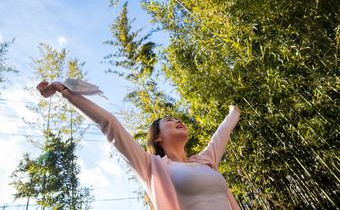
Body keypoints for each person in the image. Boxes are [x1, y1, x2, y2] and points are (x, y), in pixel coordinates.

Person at [37, 81, 242, 210]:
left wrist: (234, 111)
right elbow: (109, 123)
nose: (178, 121)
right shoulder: (150, 167)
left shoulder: (206, 161)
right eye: (169, 120)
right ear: (157, 138)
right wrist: (61, 90)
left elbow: (222, 133)